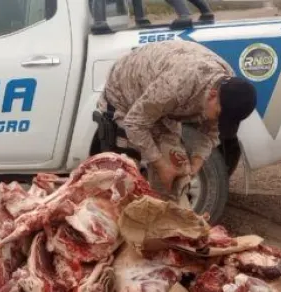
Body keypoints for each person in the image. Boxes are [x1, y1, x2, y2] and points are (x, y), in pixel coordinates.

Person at [95, 40, 257, 194]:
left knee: (177, 172)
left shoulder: (227, 89)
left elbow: (212, 131)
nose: (217, 120)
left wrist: (196, 163)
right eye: (218, 115)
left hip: (161, 98)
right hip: (125, 91)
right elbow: (134, 123)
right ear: (212, 95)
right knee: (124, 175)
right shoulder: (176, 85)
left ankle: (164, 215)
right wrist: (159, 164)